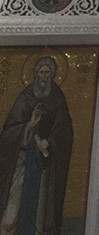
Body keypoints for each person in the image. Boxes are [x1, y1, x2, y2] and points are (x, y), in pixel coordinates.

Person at [0, 57, 74, 234]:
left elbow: (65, 129)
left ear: (53, 75)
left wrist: (49, 142)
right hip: (21, 162)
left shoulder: (57, 98)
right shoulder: (25, 97)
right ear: (35, 74)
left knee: (39, 210)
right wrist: (30, 125)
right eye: (41, 72)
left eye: (48, 73)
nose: (44, 77)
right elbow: (8, 132)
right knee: (12, 210)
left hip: (43, 165)